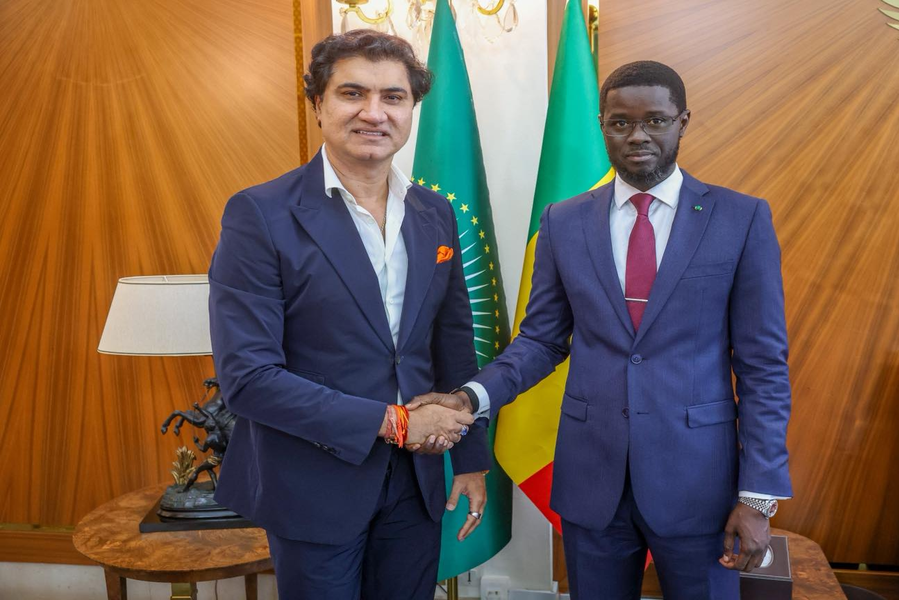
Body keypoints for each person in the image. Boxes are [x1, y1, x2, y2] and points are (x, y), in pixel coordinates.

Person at [411, 61, 792, 599]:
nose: (637, 135)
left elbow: (762, 368)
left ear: (683, 122)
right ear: (602, 125)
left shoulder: (740, 218)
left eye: (655, 120)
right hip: (593, 483)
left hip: (699, 486)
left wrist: (758, 497)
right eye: (620, 123)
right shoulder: (563, 220)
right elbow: (541, 341)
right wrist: (469, 398)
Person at [207, 30, 490, 600]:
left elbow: (453, 343)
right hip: (312, 482)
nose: (373, 113)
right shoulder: (260, 214)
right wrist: (396, 423)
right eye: (352, 93)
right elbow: (248, 379)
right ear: (318, 104)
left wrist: (470, 458)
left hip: (417, 483)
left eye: (393, 97)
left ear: (412, 110)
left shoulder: (435, 213)